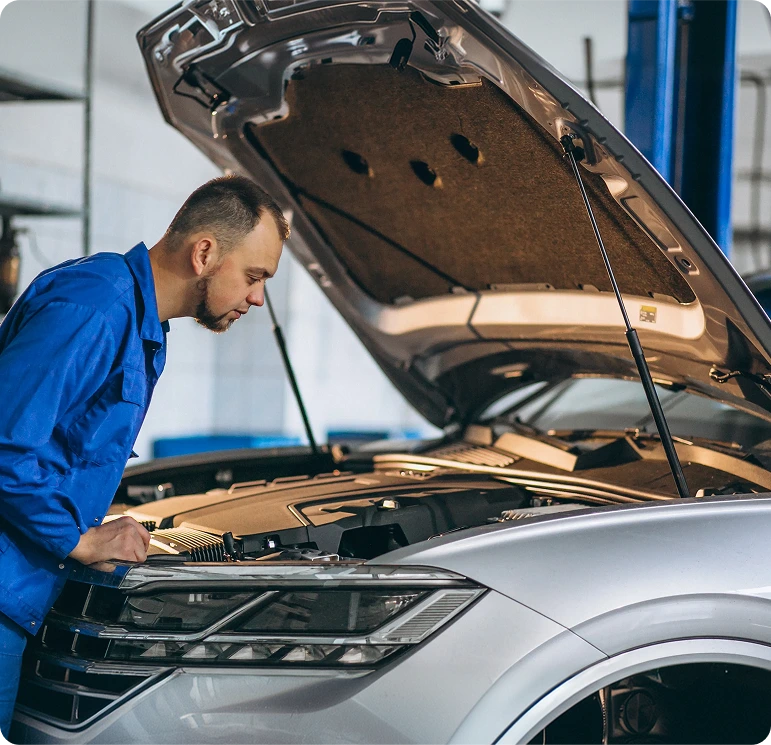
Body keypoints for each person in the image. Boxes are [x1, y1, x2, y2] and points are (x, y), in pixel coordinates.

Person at [0, 174, 289, 738]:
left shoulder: (140, 322)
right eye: (254, 277)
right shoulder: (96, 307)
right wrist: (79, 539)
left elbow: (58, 448)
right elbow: (4, 443)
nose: (257, 298)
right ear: (204, 252)